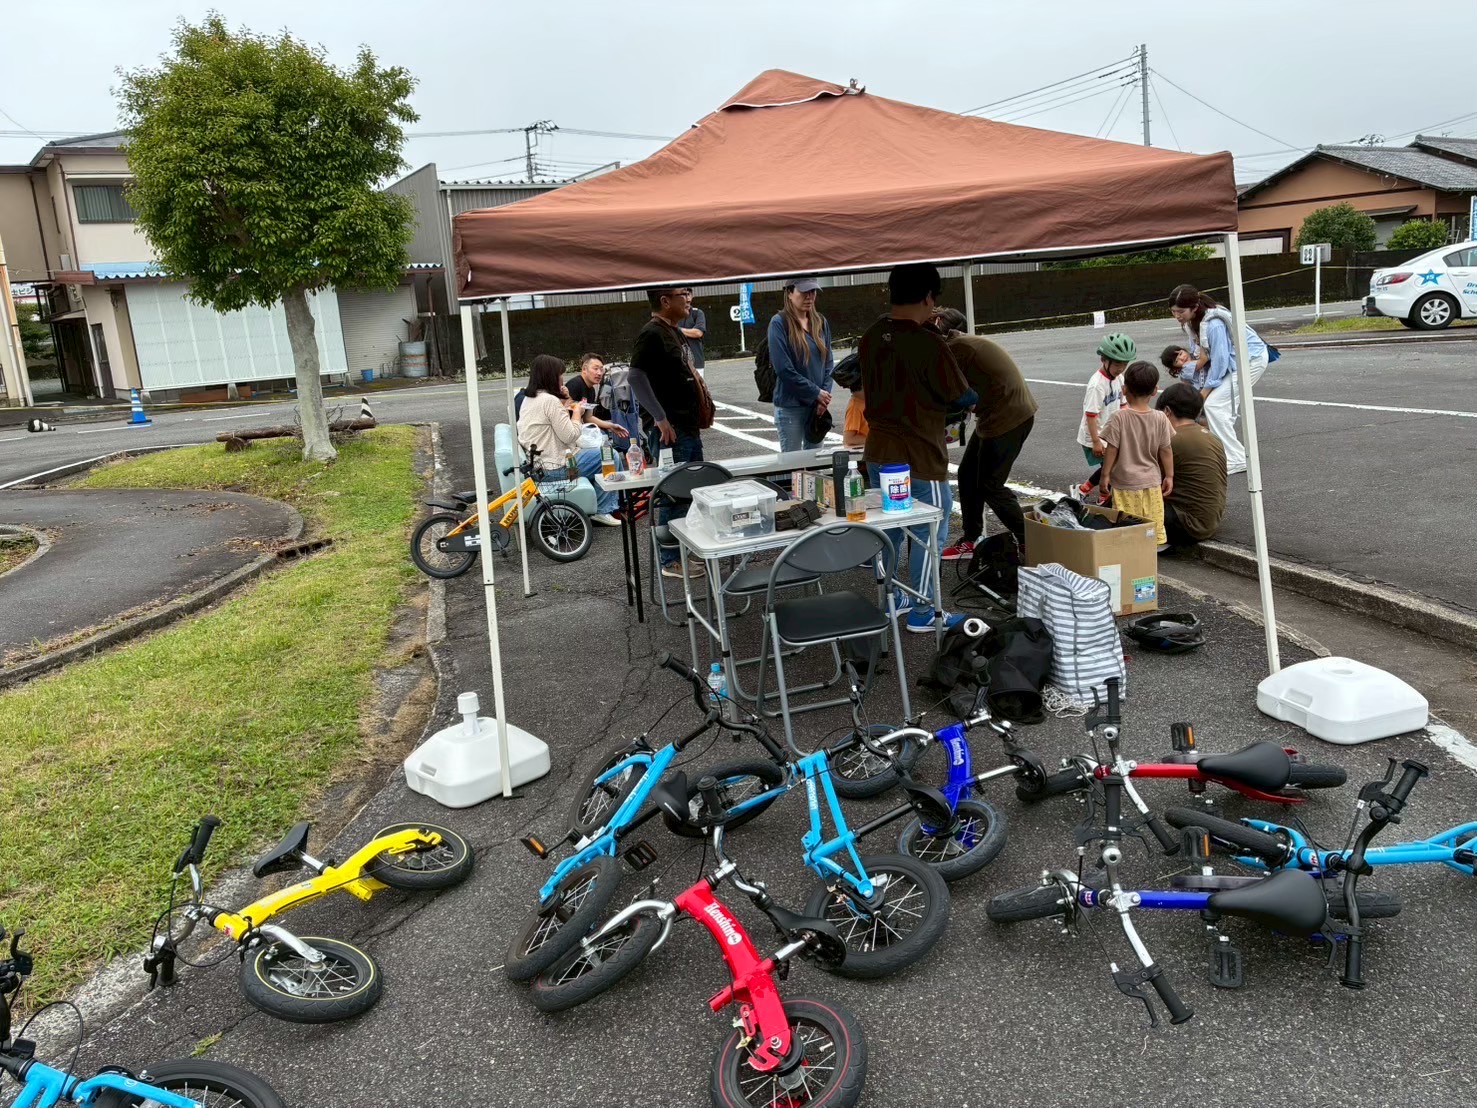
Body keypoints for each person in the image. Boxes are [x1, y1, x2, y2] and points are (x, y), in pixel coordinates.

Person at [859, 263, 977, 633]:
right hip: (920, 457)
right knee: (929, 532)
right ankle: (925, 611)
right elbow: (964, 395)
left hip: (879, 452)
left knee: (890, 531)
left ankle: (895, 599)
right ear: (928, 297)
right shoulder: (928, 342)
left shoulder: (873, 335)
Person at [933, 308, 1038, 559]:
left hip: (1009, 417)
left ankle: (1029, 540)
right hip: (996, 414)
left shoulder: (953, 350)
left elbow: (948, 395)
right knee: (968, 473)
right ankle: (971, 538)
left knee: (991, 484)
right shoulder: (956, 342)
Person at [629, 285, 712, 578]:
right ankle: (669, 561)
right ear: (665, 301)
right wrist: (660, 418)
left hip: (686, 426)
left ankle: (682, 553)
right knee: (672, 494)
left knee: (691, 492)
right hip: (670, 430)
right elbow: (635, 376)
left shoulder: (673, 331)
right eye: (682, 295)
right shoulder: (652, 333)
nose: (689, 299)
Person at [1168, 284, 1269, 476]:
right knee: (1217, 407)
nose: (1177, 316)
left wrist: (1205, 391)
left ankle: (1237, 458)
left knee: (1215, 405)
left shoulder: (1213, 324)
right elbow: (1202, 355)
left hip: (1251, 360)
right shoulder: (1193, 322)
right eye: (1173, 311)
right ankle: (1230, 455)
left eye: (1180, 311)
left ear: (1194, 308)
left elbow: (1220, 361)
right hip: (1235, 361)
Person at [515, 354, 620, 526]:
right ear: (550, 376)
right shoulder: (549, 401)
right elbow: (570, 435)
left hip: (539, 466)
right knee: (610, 455)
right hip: (555, 469)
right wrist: (577, 413)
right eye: (559, 374)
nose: (562, 378)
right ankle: (603, 510)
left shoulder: (530, 398)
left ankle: (606, 504)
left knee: (598, 454)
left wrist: (563, 399)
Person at [1100, 361, 1174, 550]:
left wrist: (1105, 476)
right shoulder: (1160, 418)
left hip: (1125, 483)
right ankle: (1147, 560)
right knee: (1151, 526)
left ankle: (1130, 558)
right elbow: (1165, 449)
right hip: (1152, 482)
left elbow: (1111, 449)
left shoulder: (1119, 417)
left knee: (1127, 530)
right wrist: (1169, 476)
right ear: (1154, 391)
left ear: (1124, 390)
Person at [1154, 382, 1227, 546]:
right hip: (1210, 520)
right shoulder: (1213, 438)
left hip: (1186, 525)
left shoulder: (1171, 440)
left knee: (1129, 498)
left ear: (1166, 411)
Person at [768, 277, 835, 453]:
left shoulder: (820, 322)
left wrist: (824, 397)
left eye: (813, 292)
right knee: (793, 466)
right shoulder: (779, 323)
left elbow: (828, 363)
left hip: (817, 406)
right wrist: (816, 392)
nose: (809, 297)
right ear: (789, 293)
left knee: (814, 463)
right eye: (804, 292)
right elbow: (783, 369)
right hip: (791, 406)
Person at [1076, 332, 1136, 499]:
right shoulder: (1097, 385)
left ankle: (1084, 489)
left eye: (1124, 364)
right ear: (1103, 359)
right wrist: (1096, 441)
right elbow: (1091, 415)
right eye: (1117, 364)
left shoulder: (1119, 378)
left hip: (1111, 433)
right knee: (1112, 467)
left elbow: (1123, 404)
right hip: (1097, 434)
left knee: (1111, 467)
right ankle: (1100, 495)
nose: (1121, 369)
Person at [565, 352, 631, 445]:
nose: (599, 373)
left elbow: (588, 418)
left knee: (604, 438)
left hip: (579, 429)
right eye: (595, 369)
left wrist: (611, 426)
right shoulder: (575, 384)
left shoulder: (591, 390)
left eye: (601, 369)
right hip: (569, 435)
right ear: (584, 369)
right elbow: (563, 408)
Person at [678, 292, 707, 375]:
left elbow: (698, 333)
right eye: (683, 295)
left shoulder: (697, 313)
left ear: (691, 296)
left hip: (696, 361)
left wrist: (677, 330)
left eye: (688, 294)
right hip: (677, 362)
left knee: (698, 387)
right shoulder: (673, 315)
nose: (686, 298)